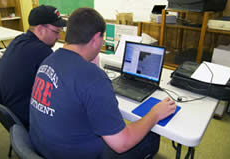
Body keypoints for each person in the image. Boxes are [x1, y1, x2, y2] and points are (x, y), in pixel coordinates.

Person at [29, 7, 176, 159]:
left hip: (42, 147)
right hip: (78, 154)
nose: (103, 42)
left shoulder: (49, 60)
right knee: (151, 137)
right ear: (95, 38)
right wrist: (155, 113)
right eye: (102, 38)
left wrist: (89, 65)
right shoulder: (93, 78)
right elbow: (121, 144)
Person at [0, 5, 67, 128]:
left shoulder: (19, 40)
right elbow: (64, 88)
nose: (59, 37)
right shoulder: (42, 51)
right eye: (56, 31)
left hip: (10, 110)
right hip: (25, 118)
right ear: (40, 29)